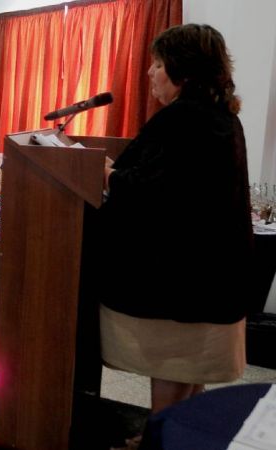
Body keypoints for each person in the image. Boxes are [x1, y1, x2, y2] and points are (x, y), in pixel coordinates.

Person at [98, 24, 252, 422]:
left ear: (182, 71)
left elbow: (155, 194)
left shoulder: (183, 119)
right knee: (190, 374)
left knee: (171, 368)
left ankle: (158, 439)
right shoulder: (222, 119)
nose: (150, 72)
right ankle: (175, 437)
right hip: (212, 275)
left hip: (176, 281)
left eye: (158, 64)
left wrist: (107, 175)